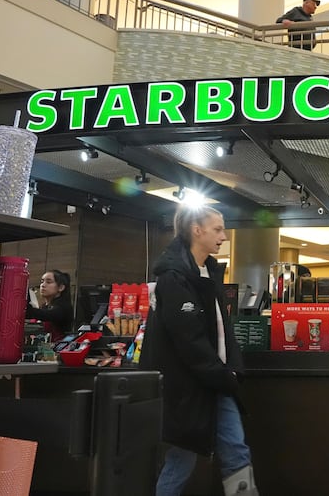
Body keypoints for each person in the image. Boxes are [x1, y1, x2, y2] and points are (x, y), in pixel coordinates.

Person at [139, 205, 257, 496]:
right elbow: (188, 340)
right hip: (190, 386)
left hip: (215, 382)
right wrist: (224, 376)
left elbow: (219, 332)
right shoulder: (174, 278)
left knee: (236, 453)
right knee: (183, 457)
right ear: (197, 230)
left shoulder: (206, 272)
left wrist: (229, 372)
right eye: (218, 229)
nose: (224, 236)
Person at [26, 269, 73, 342]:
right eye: (42, 281)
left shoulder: (64, 308)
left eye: (48, 282)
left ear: (61, 288)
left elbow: (46, 315)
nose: (43, 285)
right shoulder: (44, 306)